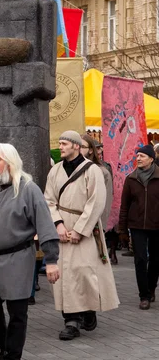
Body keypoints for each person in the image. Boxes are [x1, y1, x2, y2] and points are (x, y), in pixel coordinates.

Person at [0, 143, 60, 360]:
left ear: (10, 161)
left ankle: (13, 358)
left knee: (17, 311)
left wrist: (52, 259)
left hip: (16, 259)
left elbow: (45, 224)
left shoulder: (28, 189)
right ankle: (5, 348)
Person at [44, 130, 119, 340]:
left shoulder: (92, 170)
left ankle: (88, 310)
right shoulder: (55, 170)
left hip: (83, 227)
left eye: (65, 143)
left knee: (84, 271)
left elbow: (96, 202)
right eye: (60, 143)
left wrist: (79, 230)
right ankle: (71, 321)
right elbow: (48, 199)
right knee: (64, 274)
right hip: (61, 228)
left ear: (76, 146)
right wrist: (57, 225)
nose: (61, 147)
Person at [119, 145, 159, 309]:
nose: (139, 158)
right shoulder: (131, 179)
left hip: (157, 226)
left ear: (151, 158)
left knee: (156, 261)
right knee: (140, 260)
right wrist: (122, 230)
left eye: (142, 156)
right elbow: (124, 206)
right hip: (136, 226)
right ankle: (144, 295)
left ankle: (151, 288)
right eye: (138, 156)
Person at [81, 134, 116, 263]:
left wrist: (101, 227)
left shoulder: (102, 171)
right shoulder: (63, 170)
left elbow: (105, 202)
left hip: (93, 225)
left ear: (91, 150)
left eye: (81, 146)